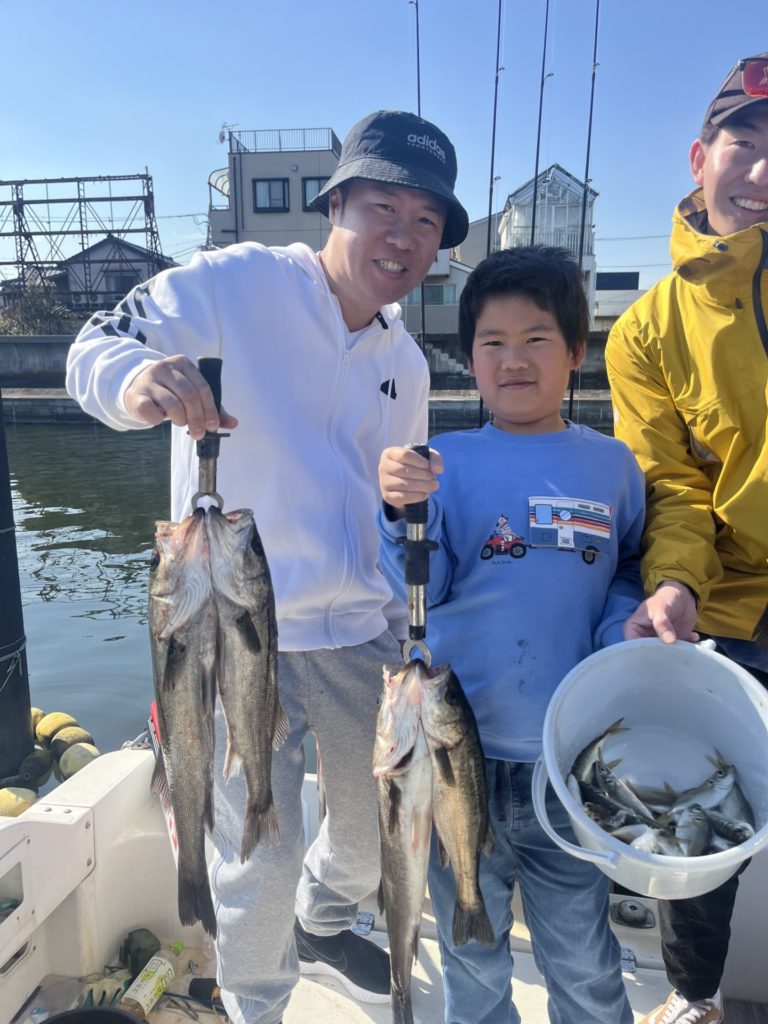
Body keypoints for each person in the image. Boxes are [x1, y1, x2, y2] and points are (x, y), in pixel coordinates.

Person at [66, 108, 469, 1024]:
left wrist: (408, 521)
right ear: (335, 205)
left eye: (426, 222)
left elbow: (390, 506)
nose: (403, 237)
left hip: (359, 635)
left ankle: (324, 923)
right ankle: (257, 1004)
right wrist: (135, 381)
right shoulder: (234, 282)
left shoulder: (407, 364)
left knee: (372, 840)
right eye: (383, 208)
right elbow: (94, 344)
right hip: (232, 624)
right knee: (258, 858)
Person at [378, 245, 644, 1024]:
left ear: (577, 350)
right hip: (451, 753)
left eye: (537, 339)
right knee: (470, 954)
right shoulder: (442, 463)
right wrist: (397, 510)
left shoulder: (615, 467)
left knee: (584, 959)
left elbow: (627, 570)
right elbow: (424, 587)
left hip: (567, 760)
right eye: (492, 342)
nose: (514, 359)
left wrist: (620, 628)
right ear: (469, 359)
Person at [605, 54, 768, 1024]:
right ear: (701, 158)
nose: (763, 171)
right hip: (732, 606)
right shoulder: (644, 331)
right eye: (746, 144)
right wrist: (673, 582)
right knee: (694, 817)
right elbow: (670, 484)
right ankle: (694, 995)